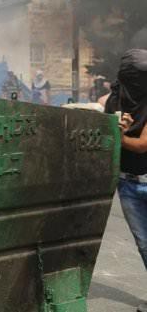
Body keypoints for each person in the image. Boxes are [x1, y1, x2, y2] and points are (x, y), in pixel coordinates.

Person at [103, 49, 147, 312]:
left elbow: (142, 145)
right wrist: (114, 127)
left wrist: (119, 135)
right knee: (144, 243)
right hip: (127, 183)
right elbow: (103, 133)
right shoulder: (114, 101)